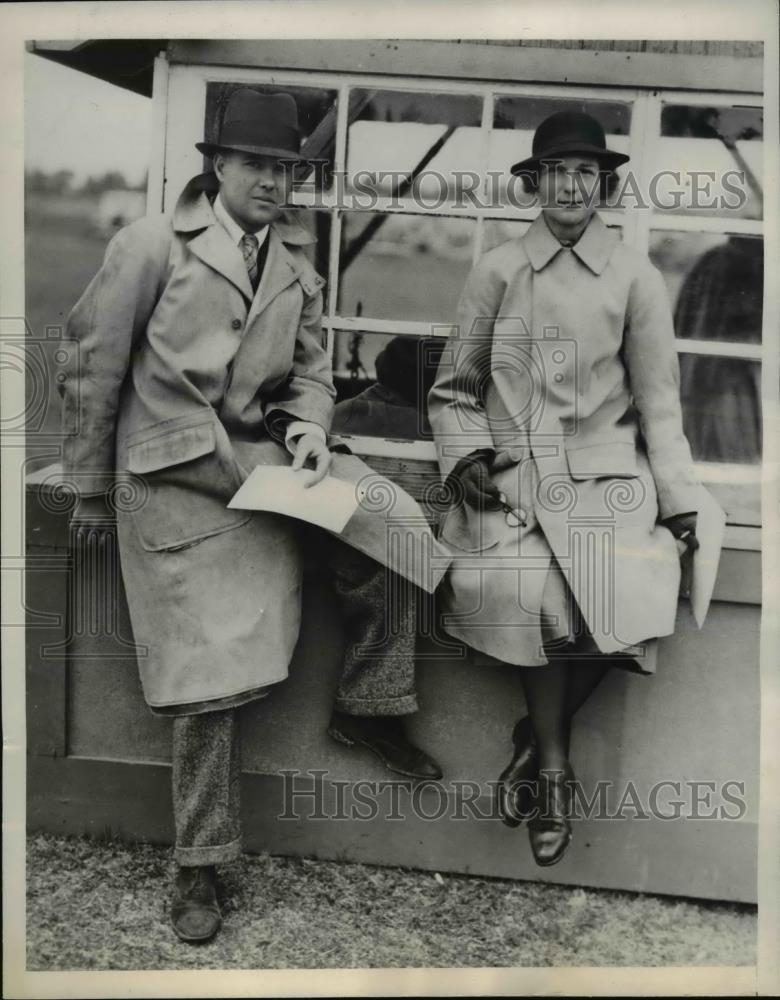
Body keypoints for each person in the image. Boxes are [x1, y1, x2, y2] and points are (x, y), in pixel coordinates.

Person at [62, 88, 440, 944]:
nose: (276, 182)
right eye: (261, 165)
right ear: (218, 166)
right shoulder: (152, 245)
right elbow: (92, 364)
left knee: (391, 526)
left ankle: (368, 702)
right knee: (210, 678)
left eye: (289, 169)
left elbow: (309, 373)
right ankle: (200, 866)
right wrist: (89, 487)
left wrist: (308, 428)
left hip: (263, 468)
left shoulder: (293, 262)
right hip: (170, 484)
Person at [428, 111, 716, 867]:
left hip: (609, 477)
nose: (570, 185)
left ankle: (534, 745)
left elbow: (660, 406)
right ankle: (555, 775)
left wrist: (681, 501)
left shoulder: (636, 276)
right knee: (545, 605)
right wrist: (467, 462)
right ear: (534, 183)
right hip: (515, 478)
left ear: (604, 184)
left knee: (638, 594)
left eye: (585, 172)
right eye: (556, 172)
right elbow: (453, 390)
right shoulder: (496, 270)